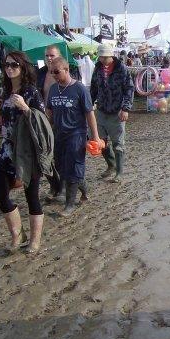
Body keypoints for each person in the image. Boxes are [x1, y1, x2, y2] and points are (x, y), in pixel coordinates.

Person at [0, 51, 46, 252]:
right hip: (6, 151)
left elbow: (41, 122)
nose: (10, 68)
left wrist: (26, 108)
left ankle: (35, 241)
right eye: (6, 65)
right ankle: (17, 235)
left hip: (27, 152)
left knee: (32, 196)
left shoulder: (31, 92)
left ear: (23, 67)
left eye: (14, 65)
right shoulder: (4, 91)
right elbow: (3, 123)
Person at [46, 57, 101, 216]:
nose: (54, 75)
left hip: (76, 135)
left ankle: (69, 205)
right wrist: (46, 128)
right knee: (62, 168)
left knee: (73, 167)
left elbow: (89, 114)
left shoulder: (79, 89)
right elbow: (49, 111)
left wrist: (95, 136)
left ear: (66, 69)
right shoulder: (53, 89)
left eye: (56, 72)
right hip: (58, 135)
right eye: (51, 72)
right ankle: (83, 188)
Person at [90, 43, 134, 183]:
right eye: (101, 57)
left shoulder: (122, 69)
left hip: (117, 111)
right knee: (100, 141)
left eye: (105, 57)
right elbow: (93, 88)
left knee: (118, 143)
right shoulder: (97, 68)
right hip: (102, 109)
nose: (102, 59)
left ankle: (119, 172)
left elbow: (129, 89)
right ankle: (111, 164)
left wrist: (125, 108)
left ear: (111, 55)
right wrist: (88, 104)